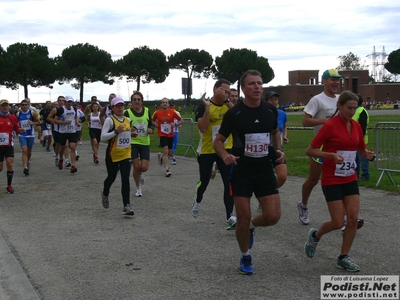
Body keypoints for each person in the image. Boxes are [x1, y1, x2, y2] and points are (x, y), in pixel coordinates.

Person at [213, 70, 285, 275]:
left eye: (259, 83)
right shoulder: (234, 113)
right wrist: (225, 155)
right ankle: (245, 256)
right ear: (243, 89)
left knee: (273, 216)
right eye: (252, 84)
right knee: (242, 218)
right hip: (242, 170)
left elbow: (275, 132)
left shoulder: (270, 111)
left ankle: (252, 227)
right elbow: (218, 141)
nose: (257, 87)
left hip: (263, 169)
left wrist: (278, 150)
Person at [304, 91, 375, 272]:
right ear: (340, 106)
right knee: (337, 222)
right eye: (349, 108)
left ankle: (343, 257)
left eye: (355, 108)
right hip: (331, 178)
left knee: (352, 219)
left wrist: (367, 154)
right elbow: (310, 150)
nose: (352, 111)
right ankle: (316, 235)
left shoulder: (357, 126)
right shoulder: (330, 126)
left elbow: (361, 148)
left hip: (350, 177)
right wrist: (330, 155)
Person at [191, 78, 237, 230]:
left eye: (228, 91)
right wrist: (207, 108)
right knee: (204, 181)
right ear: (215, 89)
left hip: (225, 149)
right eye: (223, 90)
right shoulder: (204, 106)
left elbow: (238, 116)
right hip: (207, 150)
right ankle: (198, 199)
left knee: (228, 182)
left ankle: (229, 216)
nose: (226, 93)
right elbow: (203, 128)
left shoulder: (229, 106)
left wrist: (227, 100)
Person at [298, 69, 342, 225]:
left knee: (339, 180)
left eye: (338, 79)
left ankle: (341, 216)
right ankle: (303, 205)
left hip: (338, 147)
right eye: (332, 79)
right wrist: (324, 121)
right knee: (313, 180)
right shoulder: (317, 100)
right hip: (320, 148)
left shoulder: (340, 99)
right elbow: (305, 121)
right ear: (324, 81)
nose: (336, 82)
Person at [101, 97, 137, 215]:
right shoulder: (109, 120)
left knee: (125, 179)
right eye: (117, 106)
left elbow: (128, 134)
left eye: (122, 105)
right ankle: (105, 193)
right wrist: (116, 131)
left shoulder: (128, 119)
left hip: (126, 153)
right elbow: (103, 137)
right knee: (111, 177)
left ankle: (126, 206)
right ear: (112, 108)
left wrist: (133, 134)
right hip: (113, 154)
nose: (120, 107)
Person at [123, 91, 154, 197]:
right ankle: (138, 188)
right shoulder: (127, 112)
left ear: (142, 101)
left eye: (138, 100)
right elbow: (123, 127)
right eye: (134, 99)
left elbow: (151, 124)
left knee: (144, 167)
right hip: (133, 143)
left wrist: (151, 129)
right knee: (136, 166)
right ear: (131, 101)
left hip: (145, 142)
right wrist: (130, 131)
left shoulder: (147, 111)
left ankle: (140, 174)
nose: (136, 101)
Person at [152, 98, 183, 177]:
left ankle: (160, 156)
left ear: (168, 104)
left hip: (170, 134)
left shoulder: (172, 112)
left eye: (166, 102)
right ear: (161, 104)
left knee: (169, 153)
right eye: (163, 102)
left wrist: (175, 124)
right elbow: (151, 120)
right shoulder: (157, 112)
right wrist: (155, 124)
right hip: (162, 134)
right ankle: (166, 169)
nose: (165, 104)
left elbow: (182, 120)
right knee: (165, 150)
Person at [0, 99, 25, 193]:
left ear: (9, 107)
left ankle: (9, 185)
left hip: (8, 145)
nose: (5, 107)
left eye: (6, 105)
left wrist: (20, 130)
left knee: (10, 164)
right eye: (3, 105)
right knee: (0, 167)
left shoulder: (12, 117)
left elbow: (16, 128)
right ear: (0, 107)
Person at [265, 91, 289, 188]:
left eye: (276, 99)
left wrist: (285, 136)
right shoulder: (262, 113)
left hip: (277, 148)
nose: (274, 102)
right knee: (266, 175)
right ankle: (266, 197)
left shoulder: (282, 113)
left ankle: (269, 192)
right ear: (266, 101)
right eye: (271, 100)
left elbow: (284, 126)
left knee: (282, 176)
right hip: (264, 148)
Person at [53, 96, 80, 173]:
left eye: (70, 102)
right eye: (68, 102)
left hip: (72, 131)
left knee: (73, 147)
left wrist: (77, 122)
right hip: (63, 132)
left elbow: (76, 117)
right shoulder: (61, 110)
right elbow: (55, 121)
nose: (69, 103)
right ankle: (61, 159)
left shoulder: (74, 109)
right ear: (65, 102)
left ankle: (73, 166)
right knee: (62, 147)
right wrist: (64, 122)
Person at [16, 99, 40, 175]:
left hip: (30, 134)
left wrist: (32, 123)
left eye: (25, 105)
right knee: (24, 150)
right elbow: (15, 123)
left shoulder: (32, 113)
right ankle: (25, 167)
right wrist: (18, 128)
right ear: (21, 106)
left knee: (29, 151)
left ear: (28, 106)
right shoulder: (18, 114)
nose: (24, 106)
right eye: (22, 105)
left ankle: (27, 160)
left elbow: (38, 122)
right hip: (22, 135)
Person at [352, 94, 370, 181]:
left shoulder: (361, 111)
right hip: (353, 139)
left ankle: (365, 175)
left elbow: (362, 127)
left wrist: (360, 138)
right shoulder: (354, 110)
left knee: (362, 158)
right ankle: (356, 174)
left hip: (360, 139)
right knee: (355, 159)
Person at [169, 100, 180, 165]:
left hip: (176, 131)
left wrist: (177, 124)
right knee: (171, 145)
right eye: (170, 106)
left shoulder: (177, 113)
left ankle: (164, 155)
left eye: (172, 105)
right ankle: (173, 158)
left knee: (175, 145)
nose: (171, 107)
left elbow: (180, 121)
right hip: (169, 132)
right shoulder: (167, 112)